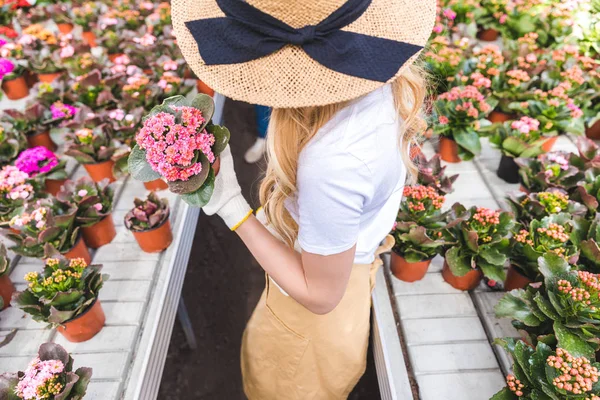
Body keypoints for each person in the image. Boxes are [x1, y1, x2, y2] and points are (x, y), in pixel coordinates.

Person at [173, 0, 435, 398]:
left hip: (312, 324)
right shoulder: (379, 74)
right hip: (341, 278)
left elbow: (319, 295)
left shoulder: (334, 162)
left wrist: (231, 207)